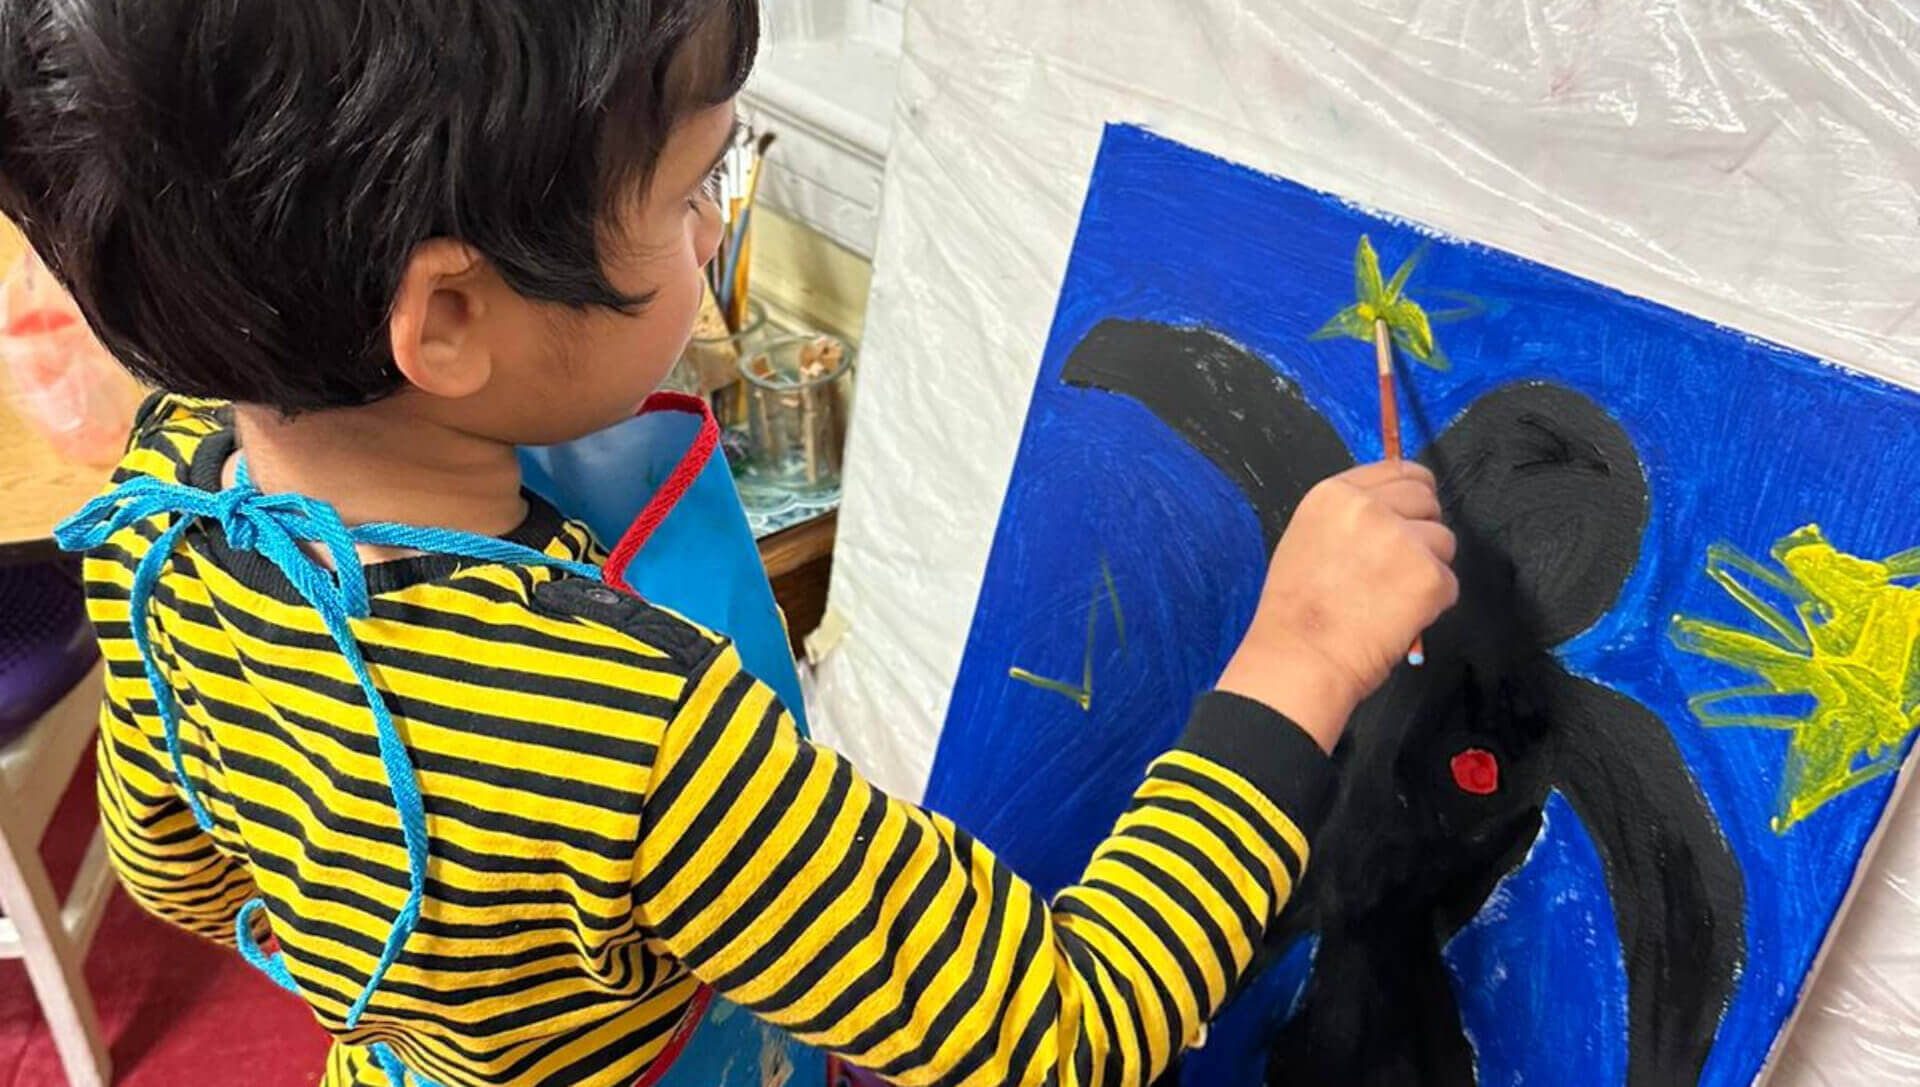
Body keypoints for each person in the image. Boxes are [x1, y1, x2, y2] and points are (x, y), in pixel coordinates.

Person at [0, 2, 1457, 1084]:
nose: (712, 237)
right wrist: (1303, 659)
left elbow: (177, 873)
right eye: (693, 190)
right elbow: (1067, 1028)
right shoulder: (626, 724)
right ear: (448, 319)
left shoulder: (162, 490)